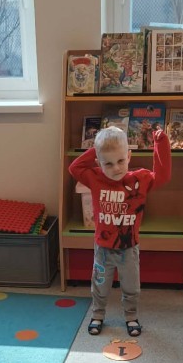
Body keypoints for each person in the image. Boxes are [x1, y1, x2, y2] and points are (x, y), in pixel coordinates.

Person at [68, 125, 171, 336]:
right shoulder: (95, 177)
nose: (116, 168)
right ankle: (98, 315)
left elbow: (163, 176)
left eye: (121, 160)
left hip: (128, 249)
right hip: (103, 249)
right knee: (100, 285)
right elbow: (74, 168)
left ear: (129, 156)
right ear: (98, 163)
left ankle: (131, 317)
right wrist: (99, 148)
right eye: (108, 163)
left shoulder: (139, 180)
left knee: (131, 287)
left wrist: (161, 144)